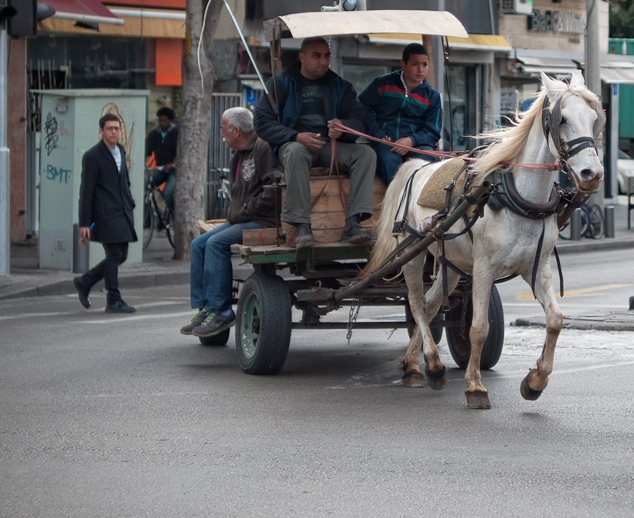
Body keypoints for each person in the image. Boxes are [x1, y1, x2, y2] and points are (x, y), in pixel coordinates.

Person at [254, 37, 377, 249]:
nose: (323, 61)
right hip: (295, 144)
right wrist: (295, 136)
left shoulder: (341, 86)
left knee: (366, 154)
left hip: (329, 146)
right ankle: (301, 225)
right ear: (302, 57)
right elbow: (262, 122)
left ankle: (353, 223)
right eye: (316, 55)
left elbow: (360, 120)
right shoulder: (280, 83)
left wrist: (343, 127)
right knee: (295, 152)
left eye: (326, 56)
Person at [182, 106, 277, 338]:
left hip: (261, 221)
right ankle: (205, 308)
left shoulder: (262, 148)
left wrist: (247, 209)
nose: (221, 135)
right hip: (240, 220)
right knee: (199, 244)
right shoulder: (239, 154)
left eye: (224, 130)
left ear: (236, 130)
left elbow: (274, 190)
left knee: (216, 244)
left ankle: (221, 310)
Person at [73, 113, 138, 314]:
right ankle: (113, 300)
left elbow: (124, 181)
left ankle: (85, 281)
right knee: (114, 254)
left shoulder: (120, 150)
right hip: (104, 214)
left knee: (122, 254)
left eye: (116, 128)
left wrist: (130, 201)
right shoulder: (93, 156)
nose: (113, 132)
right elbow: (86, 191)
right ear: (101, 131)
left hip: (123, 212)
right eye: (109, 128)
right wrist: (84, 222)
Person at [359, 43, 442, 184]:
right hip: (386, 142)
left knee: (424, 160)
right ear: (403, 64)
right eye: (415, 64)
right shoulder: (382, 84)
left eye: (425, 64)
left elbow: (432, 130)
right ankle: (398, 201)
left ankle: (414, 202)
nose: (421, 70)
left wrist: (411, 140)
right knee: (387, 160)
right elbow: (362, 107)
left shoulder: (432, 96)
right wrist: (377, 134)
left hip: (418, 145)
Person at [144, 106, 178, 217]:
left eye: (164, 120)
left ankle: (175, 217)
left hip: (174, 170)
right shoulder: (153, 135)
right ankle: (148, 219)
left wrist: (173, 164)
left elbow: (181, 153)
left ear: (170, 120)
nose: (161, 123)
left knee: (167, 192)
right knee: (145, 187)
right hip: (160, 168)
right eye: (160, 120)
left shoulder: (177, 133)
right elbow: (146, 153)